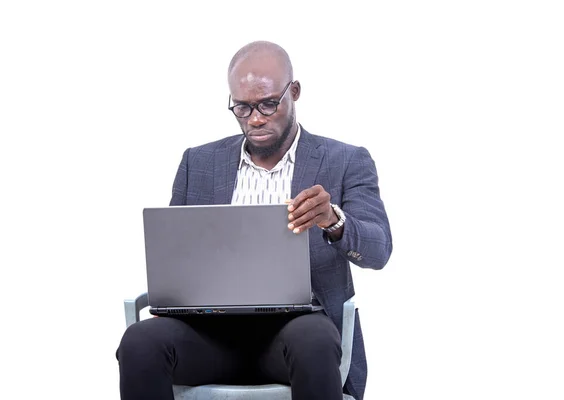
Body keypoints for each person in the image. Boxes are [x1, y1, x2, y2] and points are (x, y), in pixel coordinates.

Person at [116, 40, 393, 400]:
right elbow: (176, 258)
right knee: (139, 340)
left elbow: (378, 249)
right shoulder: (197, 164)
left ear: (293, 92)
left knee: (316, 339)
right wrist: (171, 302)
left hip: (296, 335)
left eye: (267, 104)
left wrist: (333, 220)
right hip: (208, 337)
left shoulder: (345, 160)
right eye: (242, 108)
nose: (256, 118)